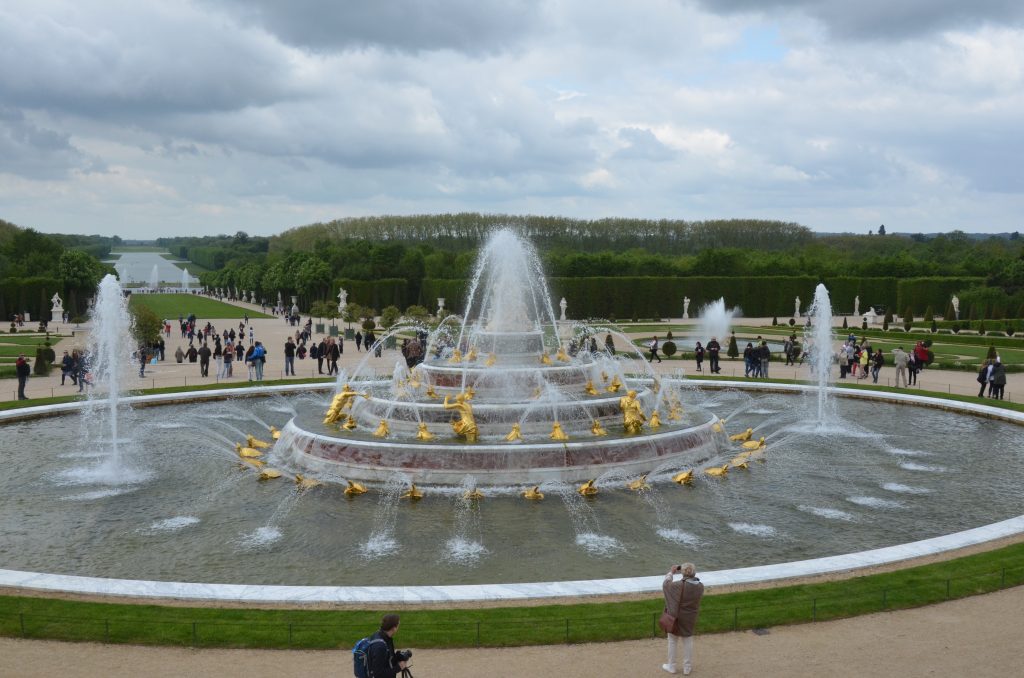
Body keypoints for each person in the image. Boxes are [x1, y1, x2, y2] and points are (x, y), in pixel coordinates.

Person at [662, 562, 704, 675]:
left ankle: (671, 666)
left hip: (676, 617)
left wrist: (671, 572)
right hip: (690, 617)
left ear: (683, 573)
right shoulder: (700, 586)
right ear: (694, 572)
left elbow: (666, 584)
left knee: (672, 641)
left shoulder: (678, 585)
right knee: (688, 641)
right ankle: (687, 668)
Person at [365, 614, 409, 678]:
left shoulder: (384, 636)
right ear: (394, 628)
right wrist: (398, 667)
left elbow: (385, 660)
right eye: (398, 625)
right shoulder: (380, 646)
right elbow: (378, 674)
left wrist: (396, 657)